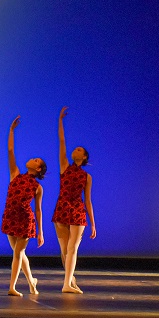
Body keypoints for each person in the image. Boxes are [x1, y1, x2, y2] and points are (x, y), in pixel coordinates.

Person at [53, 106, 97, 294]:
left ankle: (66, 285)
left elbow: (88, 201)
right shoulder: (64, 166)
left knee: (73, 248)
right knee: (64, 251)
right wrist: (60, 121)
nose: (75, 150)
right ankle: (70, 280)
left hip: (78, 210)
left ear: (84, 157)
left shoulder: (87, 177)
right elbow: (62, 141)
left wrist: (93, 224)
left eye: (79, 150)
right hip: (62, 208)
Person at [1, 115, 45, 296]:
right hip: (10, 216)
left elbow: (38, 210)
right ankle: (32, 283)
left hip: (26, 220)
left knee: (18, 254)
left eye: (36, 160)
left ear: (39, 169)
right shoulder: (16, 174)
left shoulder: (37, 187)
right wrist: (11, 131)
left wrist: (40, 232)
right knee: (18, 253)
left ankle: (12, 286)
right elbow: (11, 151)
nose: (32, 159)